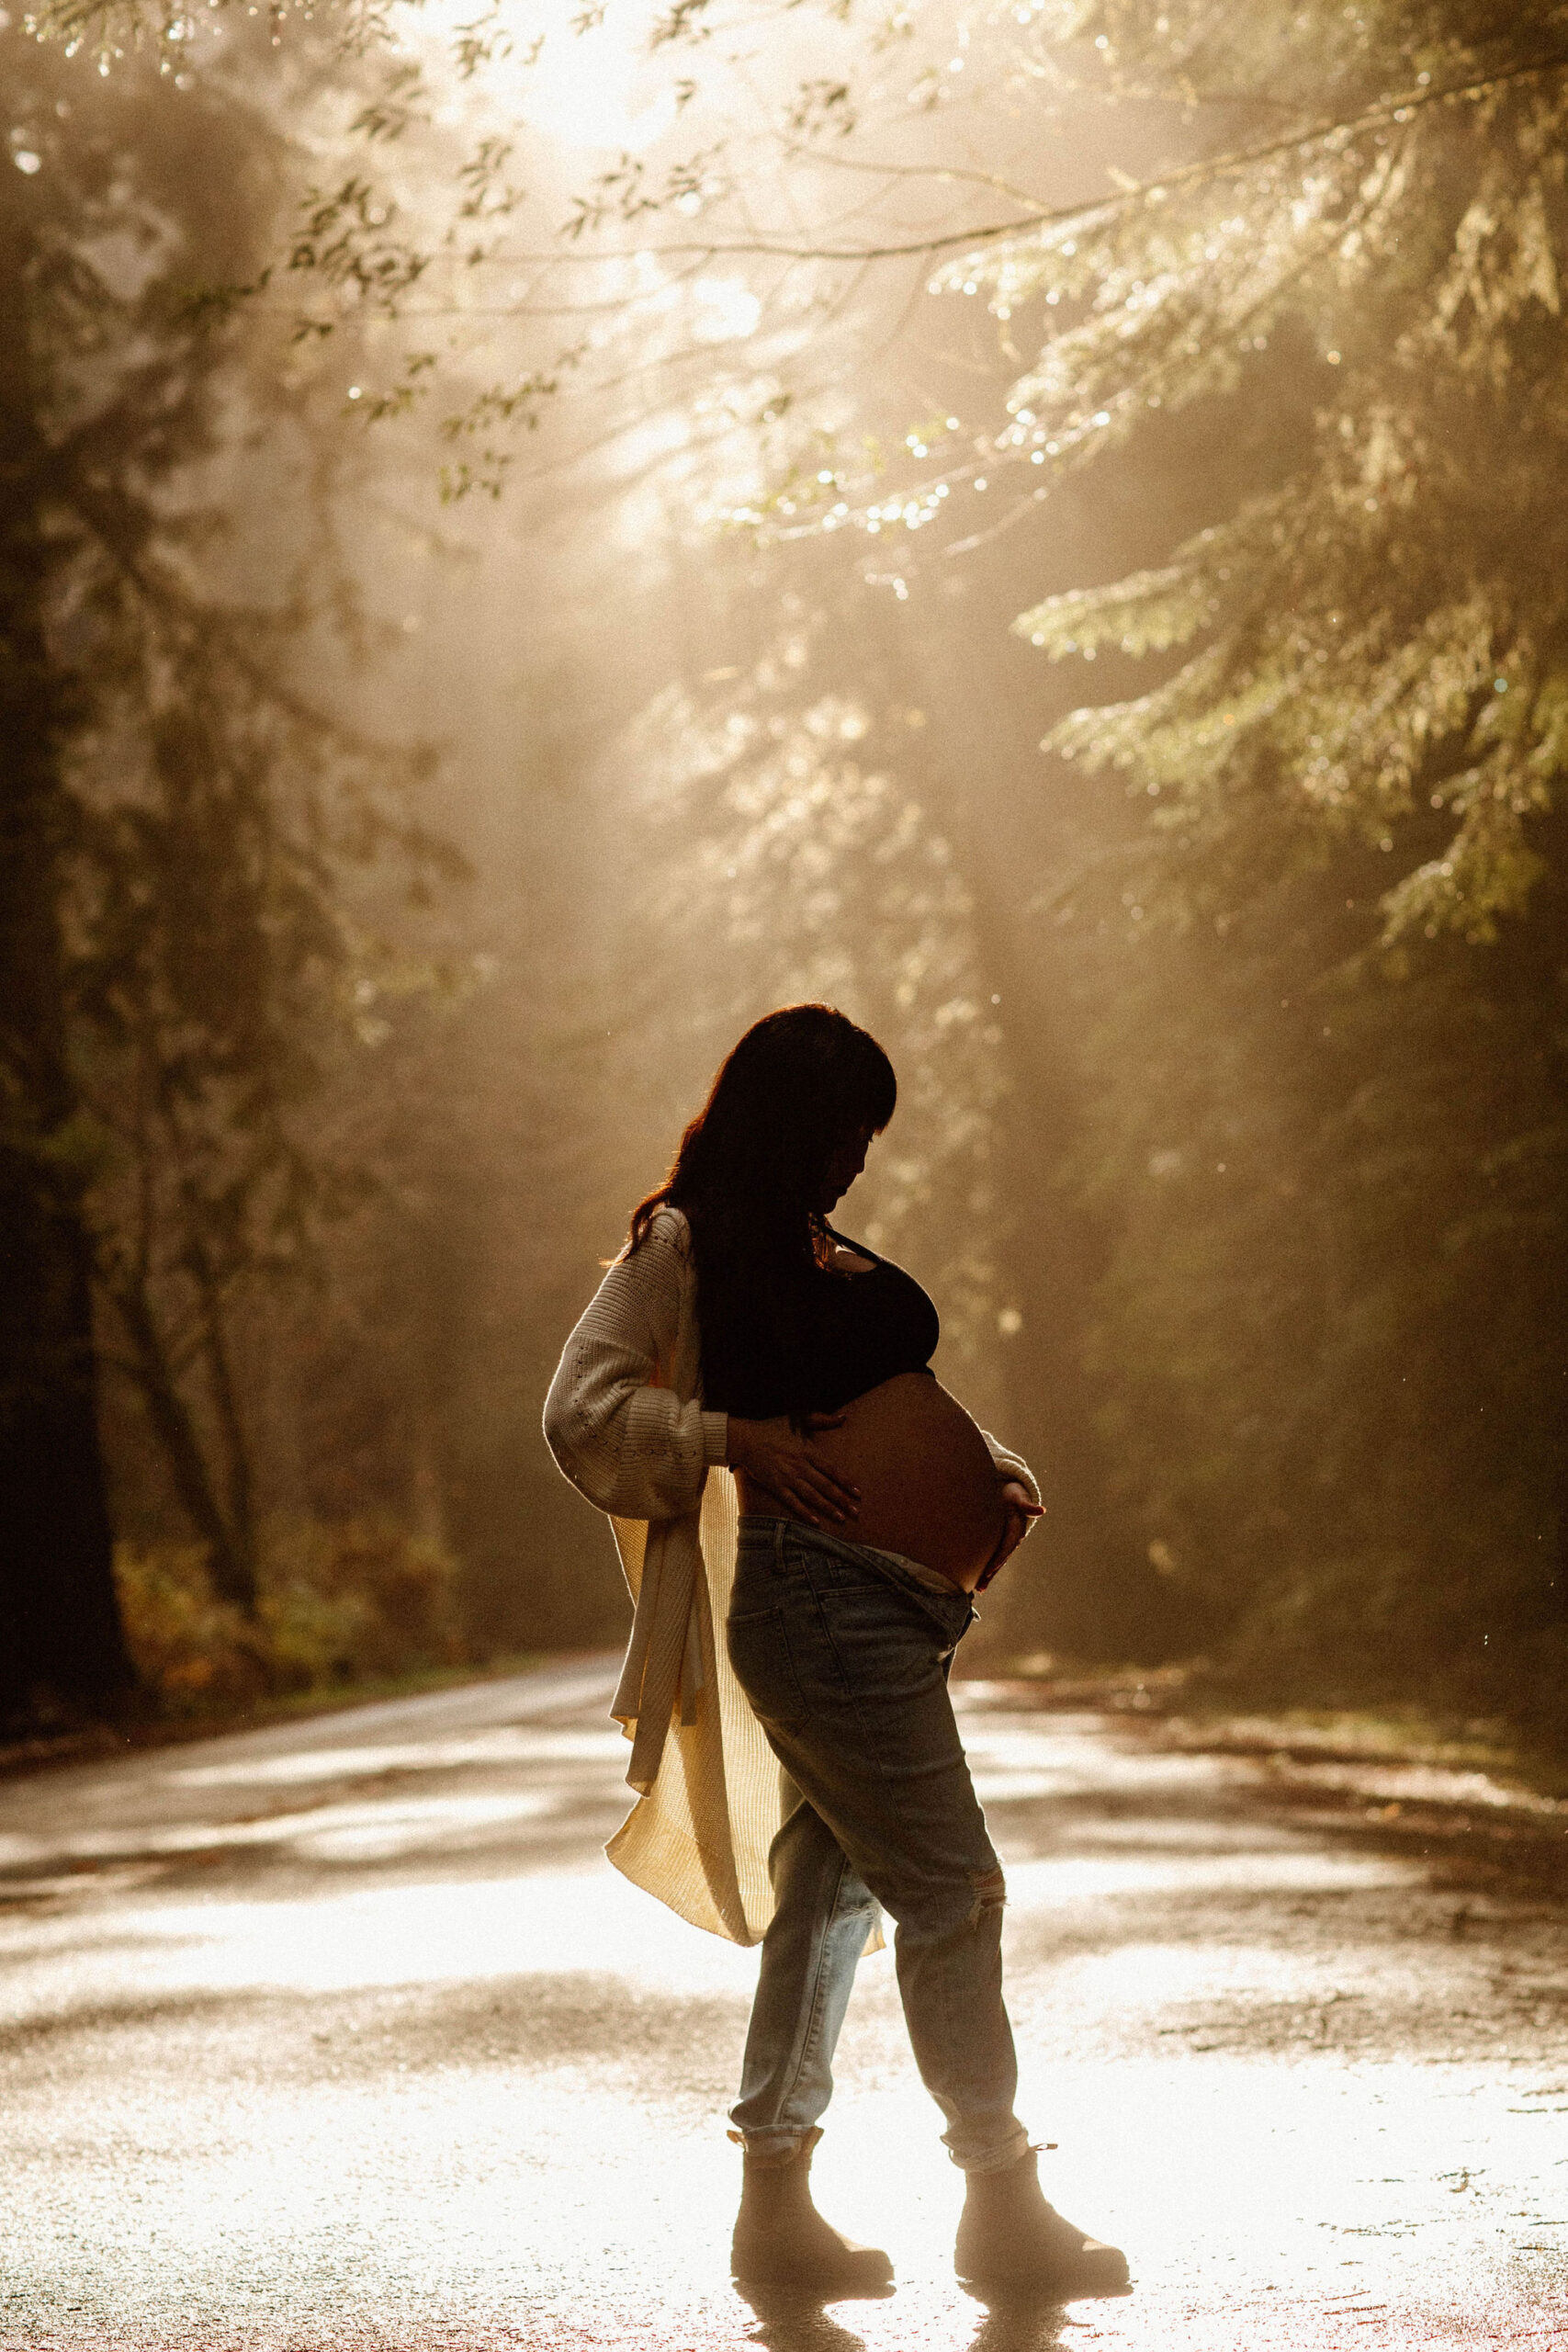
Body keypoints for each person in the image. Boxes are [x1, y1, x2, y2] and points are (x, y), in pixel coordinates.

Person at [544, 1004, 1128, 2297]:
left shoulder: (809, 1244)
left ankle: (775, 2213)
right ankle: (1001, 2204)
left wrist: (986, 1482)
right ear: (790, 1123)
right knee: (952, 1888)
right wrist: (731, 1441)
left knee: (831, 1893)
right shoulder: (684, 1244)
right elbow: (581, 1409)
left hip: (873, 1605)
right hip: (817, 1608)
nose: (861, 1159)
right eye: (847, 1131)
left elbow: (871, 1406)